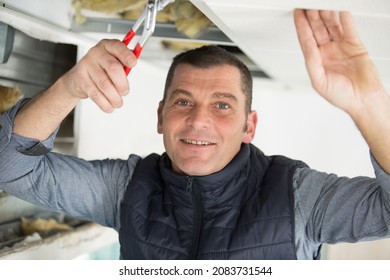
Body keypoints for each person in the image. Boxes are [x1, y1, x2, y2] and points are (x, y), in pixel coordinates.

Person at [0, 9, 389, 259]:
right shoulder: (126, 189)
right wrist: (69, 87)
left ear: (248, 126)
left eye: (222, 105)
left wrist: (368, 102)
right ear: (161, 116)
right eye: (183, 102)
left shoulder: (298, 195)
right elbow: (11, 167)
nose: (198, 121)